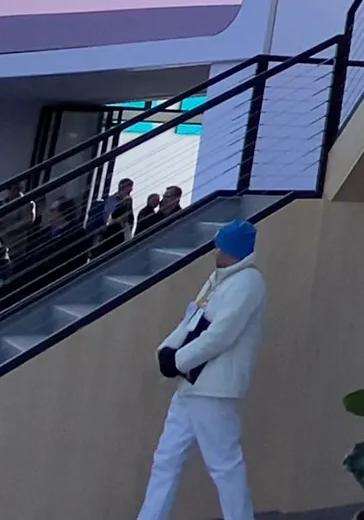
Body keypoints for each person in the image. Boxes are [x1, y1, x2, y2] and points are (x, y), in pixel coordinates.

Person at [130, 220, 264, 520]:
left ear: (232, 249)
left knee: (225, 466)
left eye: (220, 244)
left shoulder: (248, 283)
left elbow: (220, 334)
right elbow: (193, 318)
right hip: (191, 385)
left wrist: (177, 360)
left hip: (215, 389)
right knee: (166, 459)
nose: (215, 249)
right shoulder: (220, 279)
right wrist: (166, 351)